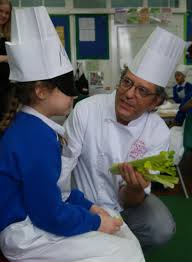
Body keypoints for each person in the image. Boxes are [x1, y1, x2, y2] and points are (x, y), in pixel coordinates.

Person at [0, 6, 145, 262]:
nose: (75, 94)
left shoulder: (34, 128)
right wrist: (95, 222)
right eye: (67, 87)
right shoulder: (35, 139)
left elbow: (58, 189)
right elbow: (49, 214)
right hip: (24, 233)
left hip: (36, 218)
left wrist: (90, 207)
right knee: (125, 251)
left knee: (123, 237)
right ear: (41, 91)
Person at [63, 27, 186, 253]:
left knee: (161, 228)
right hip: (81, 201)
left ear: (155, 103)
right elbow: (62, 168)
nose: (129, 94)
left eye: (142, 91)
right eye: (127, 82)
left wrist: (134, 187)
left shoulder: (158, 131)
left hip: (124, 205)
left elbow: (130, 199)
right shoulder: (87, 110)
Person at [0, 0, 12, 120]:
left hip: (6, 86)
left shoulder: (8, 34)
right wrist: (7, 58)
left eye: (7, 13)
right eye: (1, 11)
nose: (4, 15)